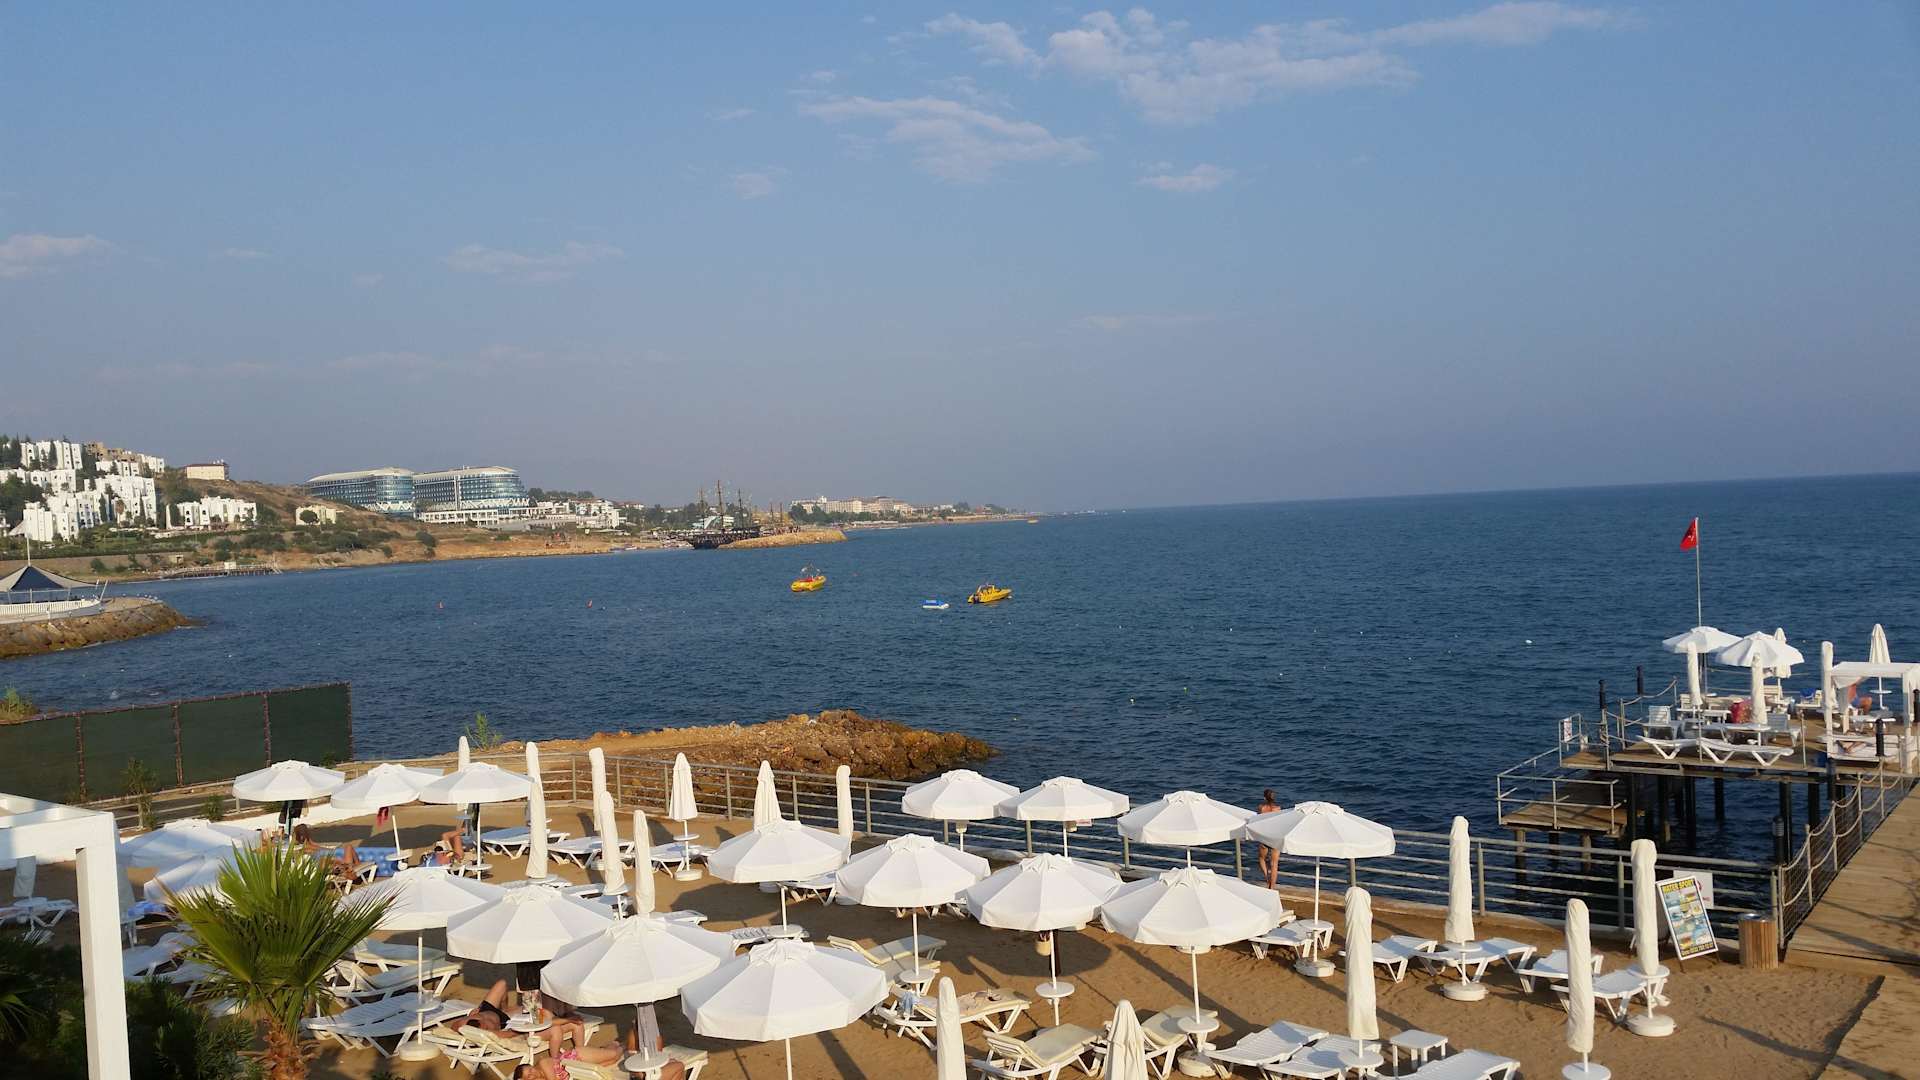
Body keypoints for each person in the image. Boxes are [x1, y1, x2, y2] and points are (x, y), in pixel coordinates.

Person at [291, 824, 359, 874]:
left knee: (348, 847)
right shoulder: (308, 848)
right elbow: (325, 857)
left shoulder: (308, 847)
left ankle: (356, 865)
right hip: (341, 864)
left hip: (338, 863)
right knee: (348, 847)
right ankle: (354, 867)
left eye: (294, 835)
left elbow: (322, 852)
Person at [1256, 789, 1282, 890]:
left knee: (1261, 858)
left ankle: (1267, 878)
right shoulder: (1278, 809)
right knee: (1274, 864)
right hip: (1275, 837)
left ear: (1264, 798)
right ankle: (1272, 887)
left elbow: (1258, 821)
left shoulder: (1261, 808)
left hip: (1264, 836)